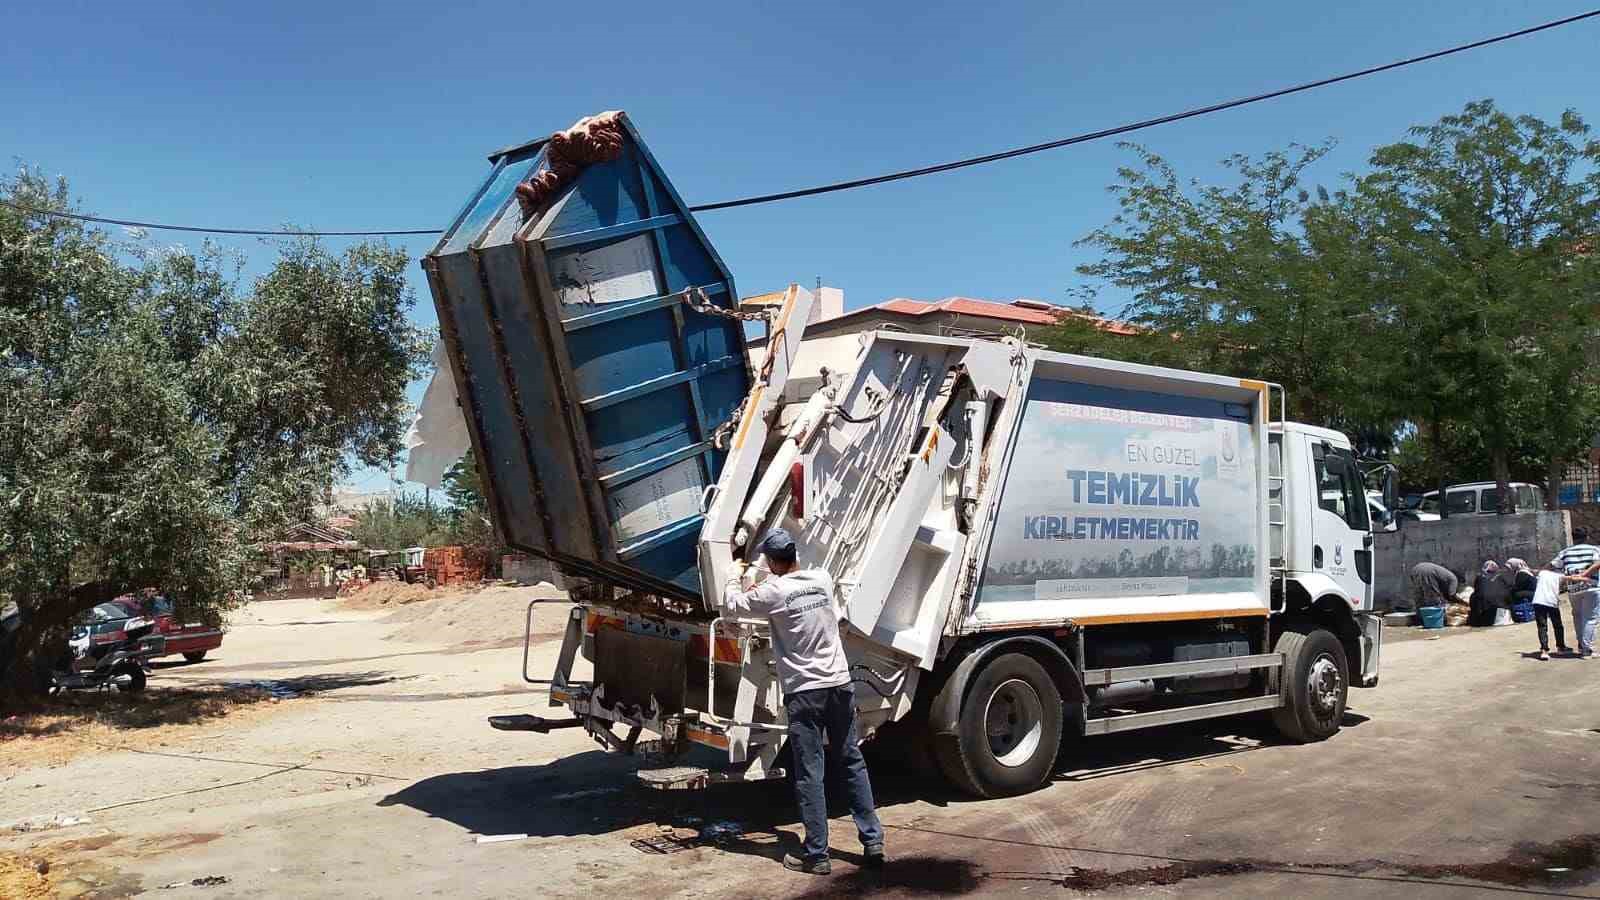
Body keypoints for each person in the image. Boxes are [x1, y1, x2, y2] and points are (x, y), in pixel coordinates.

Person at [721, 529, 885, 874]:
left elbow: (732, 607)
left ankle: (817, 855)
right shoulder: (822, 579)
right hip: (839, 685)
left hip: (805, 692)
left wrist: (735, 577)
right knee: (851, 760)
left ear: (769, 562)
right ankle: (872, 842)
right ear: (795, 554)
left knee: (811, 773)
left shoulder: (773, 592)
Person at [1551, 527, 1600, 658]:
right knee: (1590, 618)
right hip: (1591, 587)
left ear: (1573, 538)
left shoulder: (1565, 552)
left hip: (1573, 589)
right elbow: (1598, 563)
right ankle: (1587, 649)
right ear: (1587, 537)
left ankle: (1581, 645)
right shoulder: (1594, 549)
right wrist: (1584, 574)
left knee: (1578, 617)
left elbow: (1553, 565)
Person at [1528, 563, 1574, 660]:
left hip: (1538, 601)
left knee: (1542, 626)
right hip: (1551, 602)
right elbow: (1572, 579)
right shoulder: (1560, 576)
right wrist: (1586, 577)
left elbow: (1534, 571)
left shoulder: (1542, 573)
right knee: (1557, 625)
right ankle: (1560, 647)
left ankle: (1544, 651)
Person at [1470, 560, 1510, 627]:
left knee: (1473, 597)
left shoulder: (1480, 577)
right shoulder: (1501, 577)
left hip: (1486, 613)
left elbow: (1478, 592)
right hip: (1502, 611)